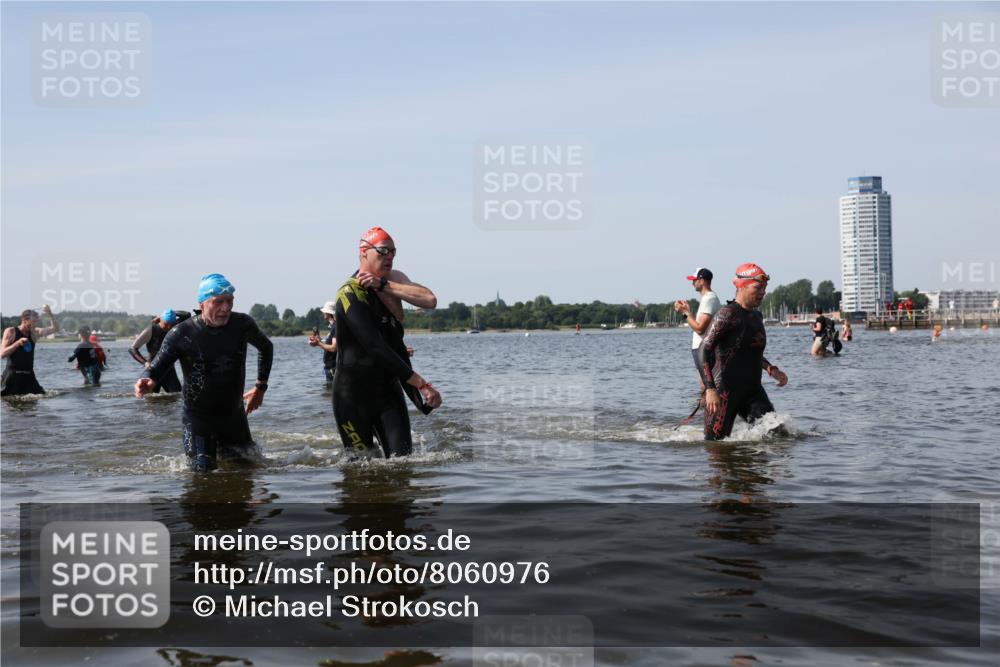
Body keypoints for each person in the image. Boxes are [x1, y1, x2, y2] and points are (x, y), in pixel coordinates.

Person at [134, 275, 273, 472]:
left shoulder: (242, 325)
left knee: (248, 472)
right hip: (198, 419)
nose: (226, 308)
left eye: (230, 301)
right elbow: (157, 365)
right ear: (202, 303)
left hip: (234, 417)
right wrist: (147, 379)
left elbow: (266, 347)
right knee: (202, 474)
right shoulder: (182, 333)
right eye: (218, 302)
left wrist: (260, 387)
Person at [333, 228, 442, 458]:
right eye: (383, 251)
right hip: (351, 396)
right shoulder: (348, 292)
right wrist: (420, 383)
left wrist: (383, 285)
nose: (390, 257)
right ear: (364, 252)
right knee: (361, 470)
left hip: (387, 392)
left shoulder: (394, 281)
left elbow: (430, 300)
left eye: (393, 251)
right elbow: (375, 346)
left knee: (402, 463)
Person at [700, 263, 788, 441]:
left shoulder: (756, 316)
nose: (763, 292)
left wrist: (771, 369)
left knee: (778, 436)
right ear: (741, 286)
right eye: (758, 288)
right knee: (716, 447)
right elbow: (704, 350)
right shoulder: (727, 314)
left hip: (753, 391)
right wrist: (710, 389)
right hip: (723, 393)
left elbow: (749, 351)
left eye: (764, 288)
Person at [674, 268, 721, 396]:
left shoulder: (709, 299)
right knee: (704, 387)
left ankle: (713, 414)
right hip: (701, 348)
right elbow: (699, 325)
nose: (692, 283)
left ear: (702, 281)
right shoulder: (707, 299)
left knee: (708, 388)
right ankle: (705, 414)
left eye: (694, 280)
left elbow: (700, 328)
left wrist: (684, 313)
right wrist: (687, 313)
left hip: (705, 349)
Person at [1, 305, 59, 397]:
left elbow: (56, 329)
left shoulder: (34, 332)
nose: (34, 325)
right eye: (32, 322)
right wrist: (18, 343)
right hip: (12, 375)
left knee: (39, 400)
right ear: (24, 320)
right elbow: (2, 354)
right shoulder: (11, 331)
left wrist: (50, 314)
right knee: (9, 402)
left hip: (29, 375)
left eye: (36, 322)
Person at [129, 309, 191, 393]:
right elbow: (132, 349)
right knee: (151, 400)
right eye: (166, 324)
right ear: (160, 320)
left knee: (177, 396)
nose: (169, 327)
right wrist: (145, 363)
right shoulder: (151, 330)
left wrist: (172, 312)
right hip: (153, 369)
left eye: (171, 325)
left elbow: (187, 315)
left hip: (169, 370)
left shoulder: (174, 328)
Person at [309, 301, 338, 388]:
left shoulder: (336, 327)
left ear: (329, 313)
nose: (323, 314)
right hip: (330, 368)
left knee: (330, 395)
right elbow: (329, 344)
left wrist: (318, 343)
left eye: (325, 312)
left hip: (333, 369)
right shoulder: (333, 327)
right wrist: (318, 339)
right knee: (329, 395)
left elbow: (333, 348)